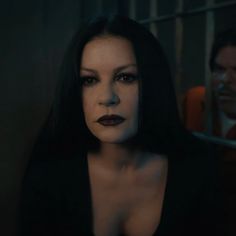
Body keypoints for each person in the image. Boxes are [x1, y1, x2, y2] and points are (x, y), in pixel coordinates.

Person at [20, 15, 222, 236]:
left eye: (125, 77)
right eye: (89, 80)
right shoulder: (49, 176)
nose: (107, 98)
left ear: (153, 83)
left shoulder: (198, 168)